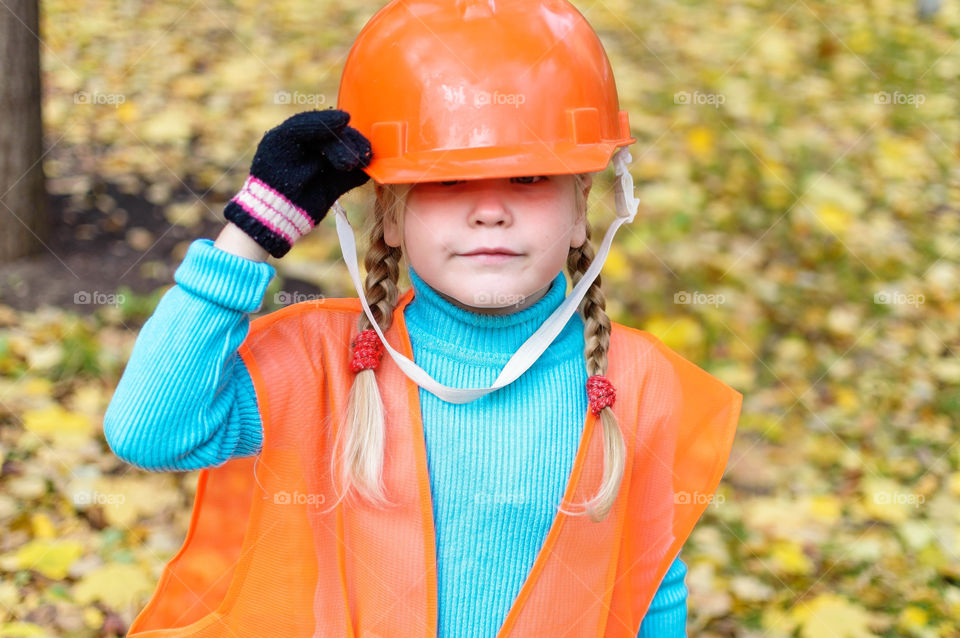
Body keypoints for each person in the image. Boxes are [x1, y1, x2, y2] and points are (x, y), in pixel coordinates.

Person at [103, 1, 742, 636]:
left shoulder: (640, 383)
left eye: (527, 178)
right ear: (388, 215)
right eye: (444, 183)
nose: (489, 211)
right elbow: (150, 431)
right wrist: (252, 234)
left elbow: (649, 588)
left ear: (581, 212)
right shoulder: (322, 364)